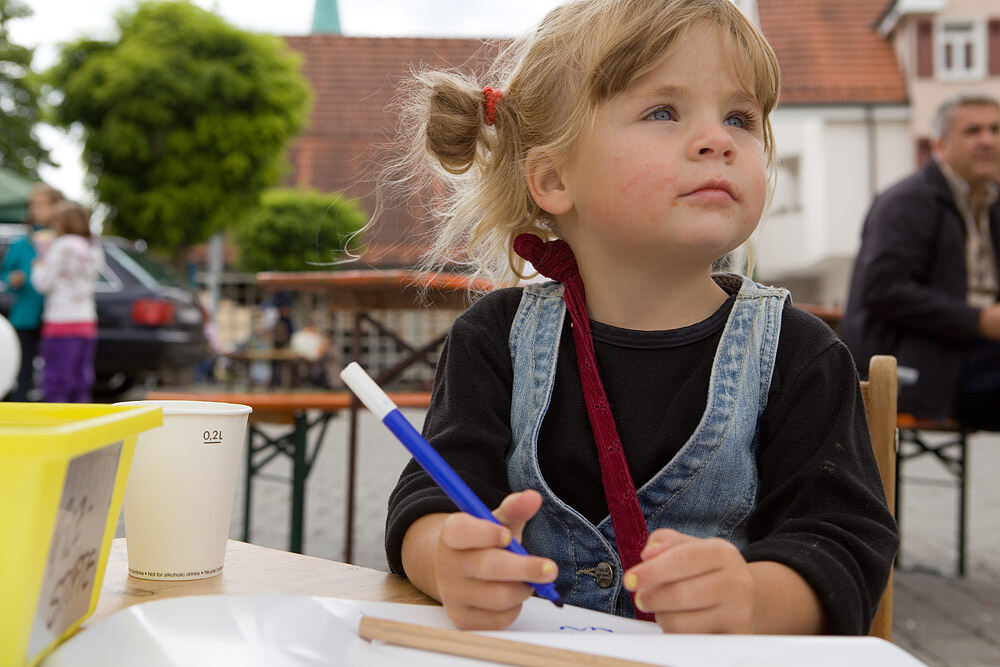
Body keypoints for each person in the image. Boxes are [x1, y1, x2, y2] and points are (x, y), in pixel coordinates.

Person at [382, 0, 896, 636]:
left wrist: (755, 597)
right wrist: (447, 558)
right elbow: (427, 501)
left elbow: (846, 546)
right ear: (552, 179)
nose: (719, 140)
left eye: (740, 117)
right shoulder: (494, 339)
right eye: (663, 111)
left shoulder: (799, 351)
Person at [842, 93, 1000, 427]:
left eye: (995, 129)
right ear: (940, 145)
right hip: (913, 366)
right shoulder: (906, 202)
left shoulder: (993, 203)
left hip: (976, 355)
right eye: (973, 131)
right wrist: (978, 319)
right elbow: (883, 290)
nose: (987, 140)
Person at [30, 201, 104, 403]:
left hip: (60, 320)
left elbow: (43, 283)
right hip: (86, 320)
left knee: (56, 377)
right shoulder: (92, 248)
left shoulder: (59, 246)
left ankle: (57, 423)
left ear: (61, 224)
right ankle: (82, 421)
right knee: (81, 377)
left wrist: (38, 264)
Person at [0, 183, 64, 401]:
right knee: (22, 370)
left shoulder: (63, 242)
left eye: (43, 205)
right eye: (33, 206)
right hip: (26, 314)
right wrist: (13, 279)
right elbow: (6, 274)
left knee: (54, 371)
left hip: (55, 315)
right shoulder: (21, 242)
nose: (37, 211)